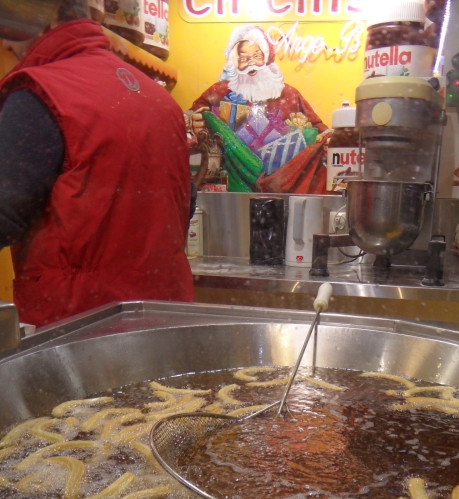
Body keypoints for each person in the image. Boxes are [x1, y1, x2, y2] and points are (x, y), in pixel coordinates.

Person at [0, 0, 194, 328]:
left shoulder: (38, 95)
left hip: (81, 328)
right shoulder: (162, 101)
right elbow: (184, 201)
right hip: (165, 318)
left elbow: (5, 213)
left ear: (46, 17)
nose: (6, 43)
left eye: (10, 27)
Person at [188, 24, 330, 194]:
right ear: (235, 62)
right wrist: (194, 125)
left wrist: (329, 141)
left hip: (280, 190)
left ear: (267, 57)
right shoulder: (218, 92)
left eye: (256, 56)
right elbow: (186, 127)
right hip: (229, 190)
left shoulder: (289, 94)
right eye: (243, 58)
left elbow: (322, 133)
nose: (251, 64)